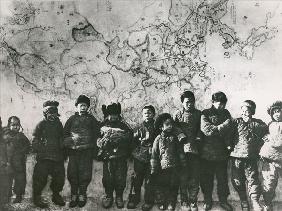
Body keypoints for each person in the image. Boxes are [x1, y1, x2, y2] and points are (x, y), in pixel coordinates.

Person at [229, 100, 268, 211]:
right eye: (243, 110)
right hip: (236, 156)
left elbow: (267, 132)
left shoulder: (258, 123)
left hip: (251, 157)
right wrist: (228, 146)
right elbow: (228, 135)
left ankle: (255, 202)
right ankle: (243, 200)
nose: (245, 112)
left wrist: (266, 137)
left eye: (248, 110)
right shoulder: (236, 122)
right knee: (237, 180)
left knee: (253, 179)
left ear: (252, 111)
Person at [64, 95, 100, 208]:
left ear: (88, 107)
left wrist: (95, 148)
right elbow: (65, 134)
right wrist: (69, 143)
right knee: (72, 172)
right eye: (80, 106)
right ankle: (74, 194)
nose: (83, 108)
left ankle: (82, 194)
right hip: (74, 151)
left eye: (85, 106)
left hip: (86, 151)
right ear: (76, 107)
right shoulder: (71, 119)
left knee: (85, 173)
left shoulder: (91, 119)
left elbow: (96, 134)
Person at [200, 91, 233, 211]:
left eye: (223, 104)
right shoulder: (205, 113)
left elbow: (230, 130)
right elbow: (207, 130)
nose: (222, 106)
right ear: (213, 102)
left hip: (222, 153)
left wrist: (219, 130)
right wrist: (223, 126)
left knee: (222, 179)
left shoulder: (226, 113)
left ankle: (223, 201)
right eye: (219, 104)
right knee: (207, 178)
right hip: (207, 153)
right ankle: (207, 200)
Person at [97, 102, 133, 209]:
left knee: (120, 177)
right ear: (107, 115)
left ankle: (119, 196)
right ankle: (109, 196)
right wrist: (103, 142)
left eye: (115, 115)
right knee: (108, 178)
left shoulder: (124, 126)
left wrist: (120, 139)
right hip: (108, 157)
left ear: (118, 115)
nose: (113, 117)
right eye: (110, 115)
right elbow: (97, 140)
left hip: (121, 156)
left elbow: (129, 138)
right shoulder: (102, 126)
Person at [32, 101, 65, 208]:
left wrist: (63, 150)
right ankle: (37, 196)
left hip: (57, 156)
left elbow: (61, 137)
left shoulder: (59, 124)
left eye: (54, 113)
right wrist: (39, 148)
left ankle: (56, 195)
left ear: (57, 114)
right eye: (49, 113)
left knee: (59, 177)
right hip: (44, 156)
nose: (52, 115)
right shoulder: (41, 124)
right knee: (40, 177)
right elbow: (35, 138)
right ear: (45, 114)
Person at [151, 113, 186, 211]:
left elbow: (180, 151)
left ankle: (171, 202)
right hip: (162, 168)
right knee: (161, 185)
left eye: (171, 124)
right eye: (167, 124)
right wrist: (153, 168)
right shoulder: (158, 139)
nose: (170, 126)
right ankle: (161, 202)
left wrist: (183, 162)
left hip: (174, 166)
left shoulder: (175, 137)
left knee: (173, 185)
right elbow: (154, 154)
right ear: (161, 127)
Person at [174, 91, 201, 211]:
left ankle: (193, 201)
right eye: (187, 102)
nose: (189, 104)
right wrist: (180, 135)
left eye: (192, 102)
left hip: (195, 150)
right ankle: (184, 201)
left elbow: (202, 127)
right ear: (182, 103)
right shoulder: (177, 114)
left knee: (194, 177)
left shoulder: (199, 114)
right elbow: (173, 128)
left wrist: (199, 137)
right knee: (183, 177)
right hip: (181, 151)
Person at [127, 105, 157, 211]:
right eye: (145, 113)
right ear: (142, 115)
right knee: (136, 178)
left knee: (150, 180)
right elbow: (133, 142)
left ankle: (149, 201)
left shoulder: (157, 127)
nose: (147, 115)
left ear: (153, 114)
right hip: (139, 157)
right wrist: (133, 153)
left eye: (149, 113)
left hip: (152, 157)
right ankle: (134, 199)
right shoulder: (138, 128)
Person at [259, 101, 282, 211]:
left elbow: (279, 142)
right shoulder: (270, 125)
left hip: (280, 158)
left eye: (279, 111)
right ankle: (267, 204)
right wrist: (265, 137)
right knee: (268, 183)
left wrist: (271, 139)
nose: (277, 114)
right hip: (269, 159)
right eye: (275, 112)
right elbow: (264, 136)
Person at [2, 116, 30, 203]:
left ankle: (18, 196)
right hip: (8, 162)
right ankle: (6, 196)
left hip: (19, 162)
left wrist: (22, 152)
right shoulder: (5, 136)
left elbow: (28, 146)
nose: (16, 127)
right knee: (7, 180)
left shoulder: (21, 136)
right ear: (9, 125)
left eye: (17, 125)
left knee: (20, 179)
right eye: (13, 125)